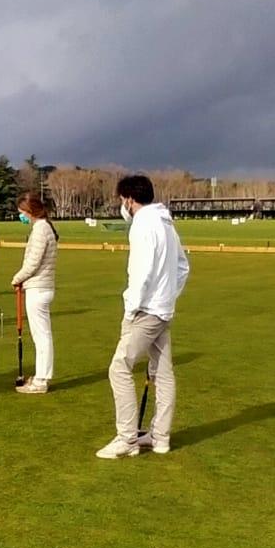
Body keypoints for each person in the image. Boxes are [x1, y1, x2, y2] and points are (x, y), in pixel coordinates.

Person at [98, 174, 190, 459]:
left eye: (121, 199)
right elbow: (184, 268)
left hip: (146, 310)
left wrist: (132, 308)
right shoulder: (166, 223)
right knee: (162, 371)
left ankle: (127, 438)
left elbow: (142, 272)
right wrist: (168, 297)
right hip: (162, 309)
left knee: (119, 367)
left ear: (128, 199)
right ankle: (160, 437)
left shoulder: (143, 225)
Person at [10, 192, 60, 393]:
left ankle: (41, 380)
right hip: (41, 287)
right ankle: (40, 376)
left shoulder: (41, 230)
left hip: (38, 289)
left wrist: (17, 278)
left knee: (42, 337)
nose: (20, 215)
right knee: (41, 336)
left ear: (30, 211)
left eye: (21, 212)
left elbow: (33, 262)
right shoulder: (43, 228)